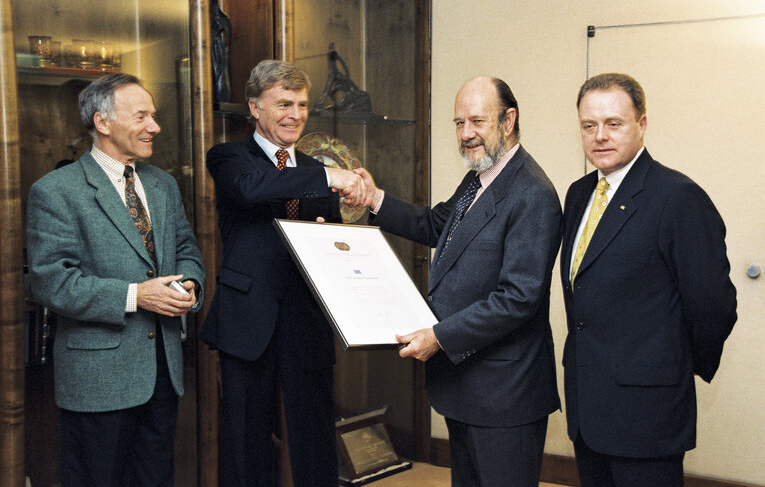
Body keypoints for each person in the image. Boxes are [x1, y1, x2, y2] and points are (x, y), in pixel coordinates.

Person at [356, 75, 562, 487]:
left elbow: (517, 298)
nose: (466, 134)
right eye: (458, 123)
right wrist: (374, 199)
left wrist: (439, 336)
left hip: (505, 394)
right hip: (467, 386)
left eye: (477, 121)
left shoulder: (531, 192)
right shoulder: (481, 177)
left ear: (508, 121)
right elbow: (437, 224)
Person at [26, 73, 206, 487]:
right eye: (141, 116)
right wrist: (135, 296)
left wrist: (191, 285)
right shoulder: (56, 191)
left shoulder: (162, 184)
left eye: (154, 116)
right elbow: (51, 281)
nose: (154, 127)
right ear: (102, 122)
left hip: (163, 373)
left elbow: (187, 251)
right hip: (97, 379)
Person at [560, 73, 737, 487]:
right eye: (589, 126)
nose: (600, 136)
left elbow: (713, 305)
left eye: (614, 124)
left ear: (642, 124)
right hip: (588, 408)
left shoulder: (677, 197)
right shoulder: (578, 193)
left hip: (648, 414)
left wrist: (669, 369)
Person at [200, 59, 366, 486]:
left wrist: (334, 241)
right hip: (247, 321)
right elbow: (253, 190)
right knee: (246, 442)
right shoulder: (229, 157)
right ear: (255, 108)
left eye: (302, 105)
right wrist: (327, 175)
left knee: (314, 441)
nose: (295, 114)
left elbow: (330, 245)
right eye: (283, 104)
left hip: (306, 321)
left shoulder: (315, 169)